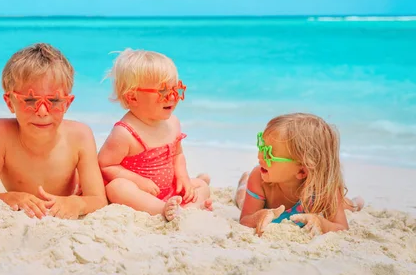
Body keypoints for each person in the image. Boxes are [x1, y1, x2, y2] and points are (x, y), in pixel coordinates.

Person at [0, 43, 107, 219]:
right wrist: (10, 197)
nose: (42, 112)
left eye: (54, 101)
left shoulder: (80, 136)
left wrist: (76, 202)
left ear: (67, 103)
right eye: (30, 100)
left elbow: (98, 199)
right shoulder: (0, 134)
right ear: (10, 102)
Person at [98, 48, 212, 221]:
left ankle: (189, 208)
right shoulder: (125, 132)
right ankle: (161, 209)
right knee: (117, 188)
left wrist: (183, 177)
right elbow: (106, 165)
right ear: (132, 98)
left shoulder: (173, 122)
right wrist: (138, 181)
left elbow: (178, 155)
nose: (172, 97)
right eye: (163, 92)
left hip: (169, 190)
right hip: (141, 194)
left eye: (176, 89)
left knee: (201, 185)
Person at [235, 113, 365, 236]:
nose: (259, 156)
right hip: (260, 195)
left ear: (302, 171)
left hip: (319, 195)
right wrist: (259, 216)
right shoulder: (259, 177)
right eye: (262, 148)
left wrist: (320, 222)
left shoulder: (324, 187)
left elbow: (341, 227)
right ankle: (243, 183)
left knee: (345, 205)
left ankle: (356, 203)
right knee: (241, 200)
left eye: (269, 153)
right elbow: (245, 219)